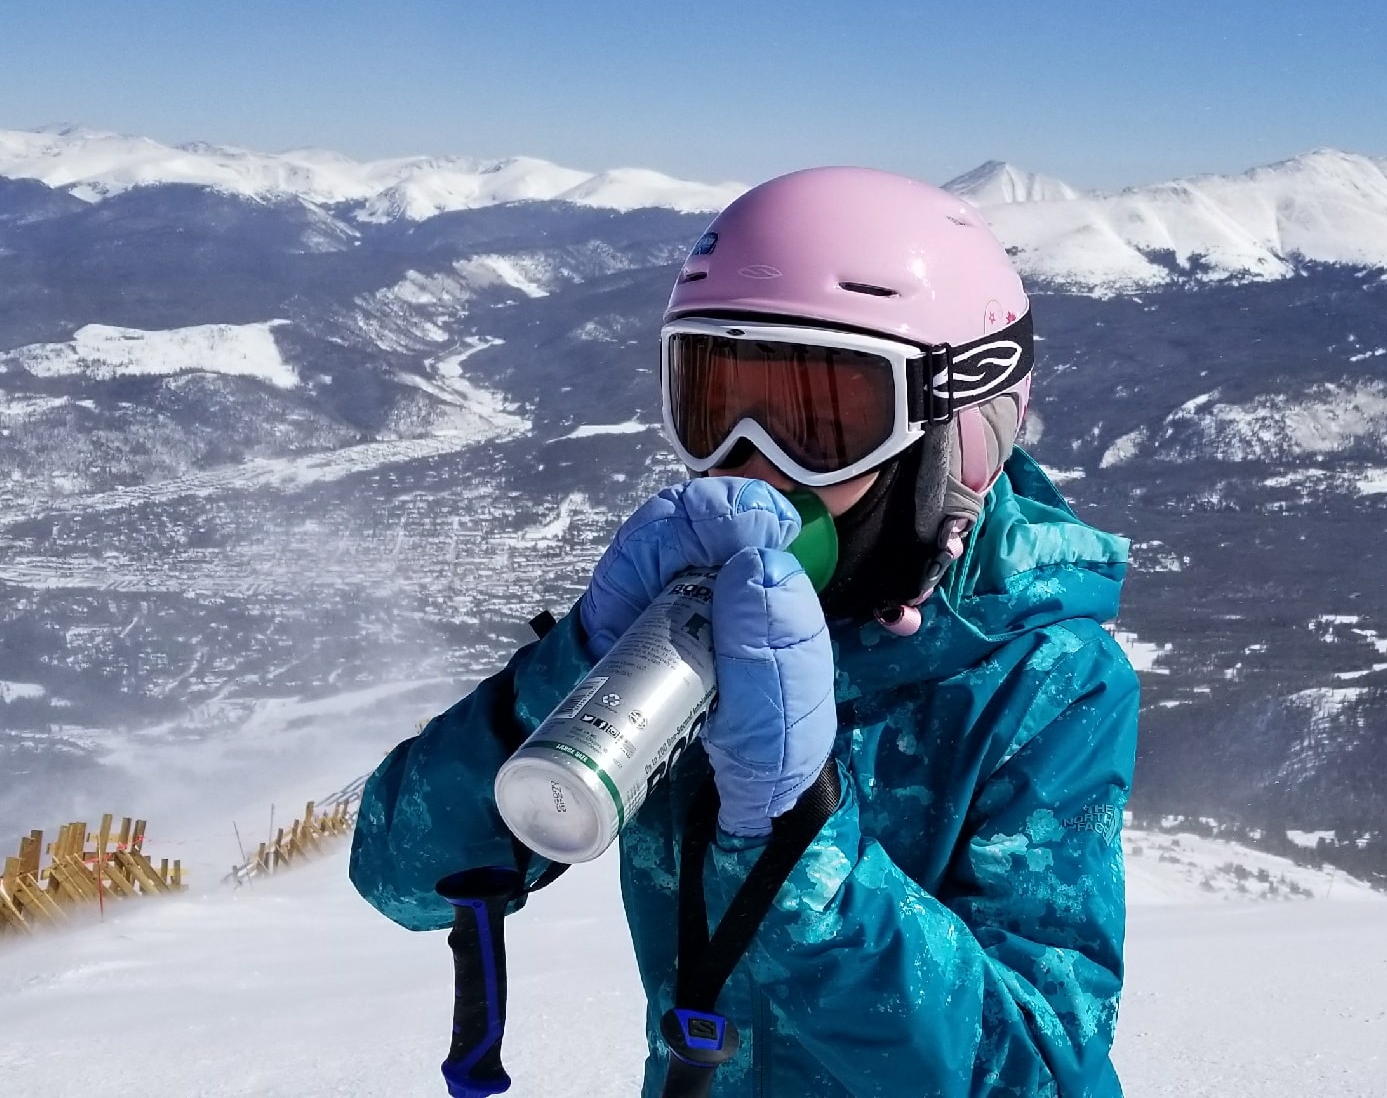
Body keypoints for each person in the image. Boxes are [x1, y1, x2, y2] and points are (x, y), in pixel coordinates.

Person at [350, 166, 1138, 1096]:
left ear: (959, 432)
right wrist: (577, 672)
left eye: (824, 420)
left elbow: (1038, 1071)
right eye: (716, 406)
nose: (755, 466)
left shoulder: (1042, 676)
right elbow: (403, 873)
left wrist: (799, 848)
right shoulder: (688, 627)